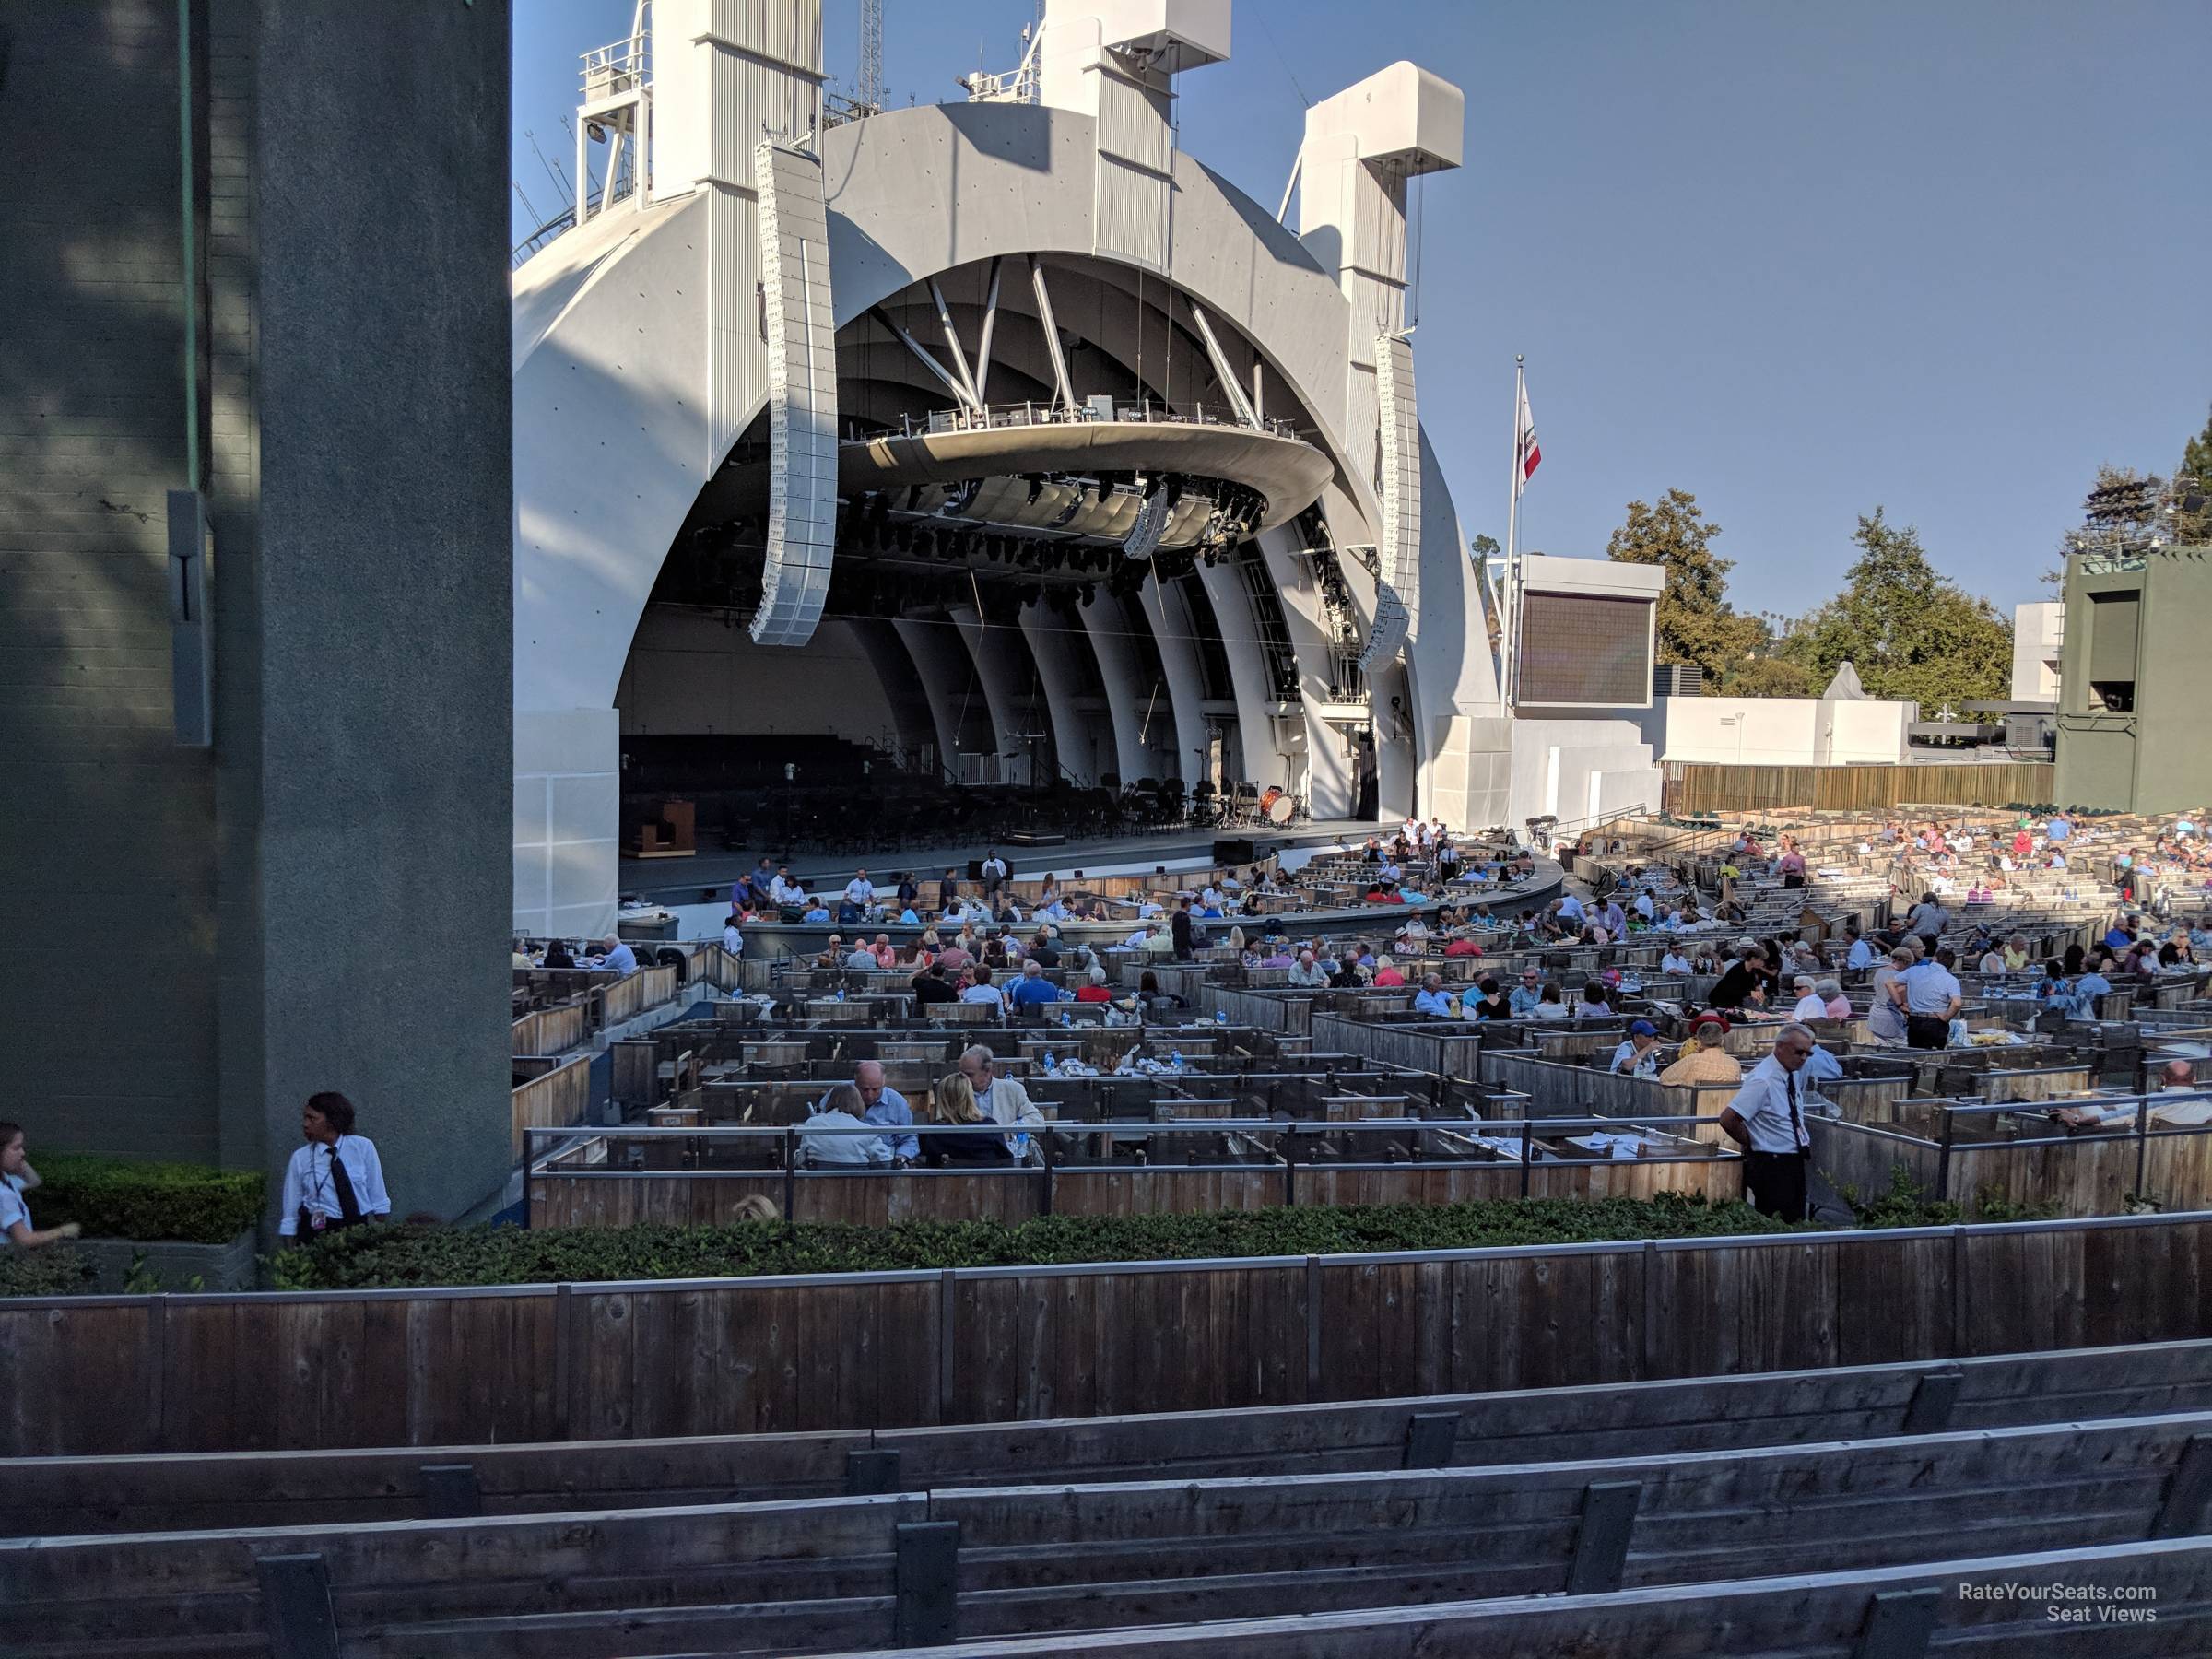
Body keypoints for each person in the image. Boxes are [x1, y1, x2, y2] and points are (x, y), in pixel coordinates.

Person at [1719, 1025, 1819, 1222]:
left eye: (1808, 1053)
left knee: (1795, 1219)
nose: (1803, 1058)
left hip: (1791, 1158)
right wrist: (1754, 1141)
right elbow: (1728, 1119)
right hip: (1772, 1162)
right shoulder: (1763, 1079)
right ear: (1780, 1047)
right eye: (1799, 1052)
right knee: (1779, 1222)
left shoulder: (1790, 1072)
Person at [276, 1092, 392, 1239]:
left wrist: (380, 1238)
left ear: (332, 1121)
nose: (305, 1124)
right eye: (305, 1118)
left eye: (312, 1119)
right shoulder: (300, 1158)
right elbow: (290, 1211)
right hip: (317, 1232)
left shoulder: (362, 1147)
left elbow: (378, 1197)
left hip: (357, 1230)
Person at [0, 1123, 81, 1249]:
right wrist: (62, 1231)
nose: (23, 1153)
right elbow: (25, 1239)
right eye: (16, 1148)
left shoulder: (7, 1181)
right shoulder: (4, 1196)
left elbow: (34, 1181)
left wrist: (17, 1160)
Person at [958, 1044, 1046, 1151]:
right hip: (966, 1153)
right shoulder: (954, 1091)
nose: (962, 1079)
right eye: (961, 1074)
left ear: (987, 1072)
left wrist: (1005, 1131)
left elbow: (1036, 1119)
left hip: (1003, 1152)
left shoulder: (1013, 1090)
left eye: (969, 1074)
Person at [927, 1072, 1015, 1163]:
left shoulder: (935, 1132)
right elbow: (1007, 1160)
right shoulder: (990, 1127)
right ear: (970, 1096)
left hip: (947, 1177)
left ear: (942, 1099)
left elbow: (931, 1165)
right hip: (989, 1176)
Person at [800, 1083, 891, 1167]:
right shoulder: (868, 1131)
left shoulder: (811, 1124)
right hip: (858, 1182)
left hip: (817, 1182)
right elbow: (885, 1163)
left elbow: (802, 1160)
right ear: (858, 1103)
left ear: (830, 1100)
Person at [847, 1061, 917, 1163]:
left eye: (875, 1089)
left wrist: (900, 1158)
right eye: (864, 1090)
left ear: (883, 1083)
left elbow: (909, 1139)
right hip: (847, 1160)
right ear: (855, 1082)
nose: (870, 1095)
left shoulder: (897, 1102)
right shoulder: (840, 1095)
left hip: (884, 1161)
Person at [1900, 949, 1962, 1050]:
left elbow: (1890, 983)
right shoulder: (1951, 979)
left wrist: (1901, 1004)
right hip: (1935, 1021)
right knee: (1935, 1058)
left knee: (1914, 1056)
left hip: (1915, 1020)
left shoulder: (1914, 970)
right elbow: (1957, 1003)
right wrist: (1947, 1017)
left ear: (1935, 959)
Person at [1659, 1015, 1744, 1086]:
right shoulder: (1734, 1064)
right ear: (1722, 1041)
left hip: (1696, 1105)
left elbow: (1664, 1079)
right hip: (1725, 1105)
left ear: (1699, 1042)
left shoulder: (1691, 1060)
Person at [1709, 947, 1766, 1011]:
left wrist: (1759, 989)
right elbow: (1733, 990)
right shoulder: (1738, 970)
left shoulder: (1752, 970)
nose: (1763, 963)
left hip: (1734, 1002)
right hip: (1721, 1002)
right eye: (1761, 960)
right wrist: (1752, 993)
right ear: (1753, 959)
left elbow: (1753, 985)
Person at [1905, 892, 1948, 956]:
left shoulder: (1921, 907)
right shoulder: (1944, 911)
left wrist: (1907, 922)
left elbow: (1910, 923)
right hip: (1932, 941)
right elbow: (1944, 930)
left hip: (1917, 940)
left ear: (1924, 899)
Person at [1171, 898, 1195, 962]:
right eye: (1190, 905)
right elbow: (1186, 934)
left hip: (1176, 944)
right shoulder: (1186, 918)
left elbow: (1173, 930)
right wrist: (1192, 946)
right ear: (1187, 905)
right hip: (1184, 946)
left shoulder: (1175, 915)